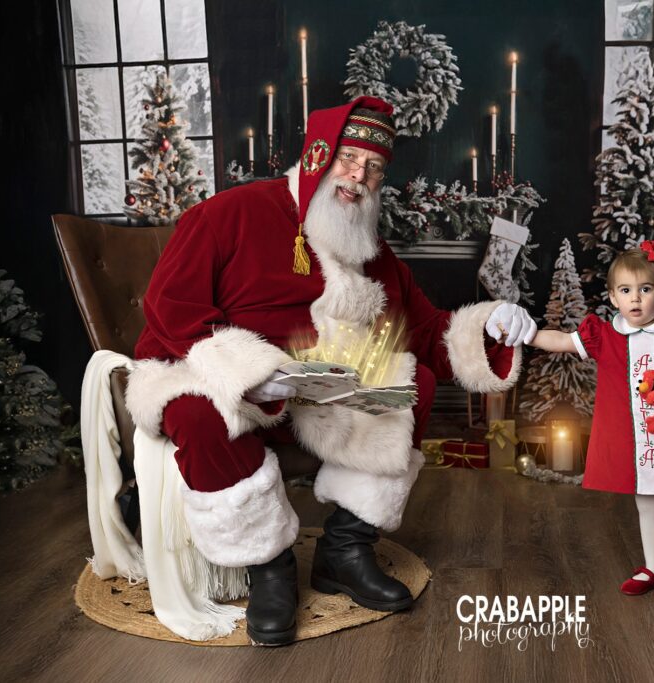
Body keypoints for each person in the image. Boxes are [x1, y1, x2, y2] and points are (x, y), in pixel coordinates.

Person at [124, 96, 537, 645]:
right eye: (349, 159)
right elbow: (170, 304)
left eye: (373, 168)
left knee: (410, 384)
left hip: (310, 385)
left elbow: (426, 329)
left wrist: (494, 325)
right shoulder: (228, 213)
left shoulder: (365, 246)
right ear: (320, 154)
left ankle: (344, 549)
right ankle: (268, 566)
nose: (358, 177)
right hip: (202, 363)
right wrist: (245, 372)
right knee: (201, 416)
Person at [527, 241, 654, 596]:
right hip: (636, 438)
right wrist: (525, 334)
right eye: (626, 290)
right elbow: (560, 340)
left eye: (645, 289)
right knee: (647, 503)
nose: (635, 299)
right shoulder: (606, 336)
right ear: (612, 297)